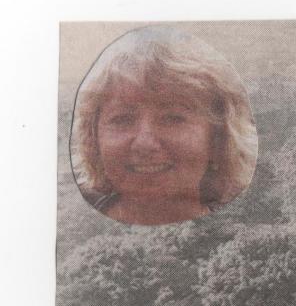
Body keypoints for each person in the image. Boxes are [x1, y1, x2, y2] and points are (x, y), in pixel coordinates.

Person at [71, 26, 257, 225]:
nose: (145, 143)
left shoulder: (241, 230)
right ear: (94, 138)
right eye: (122, 119)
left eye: (172, 118)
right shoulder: (73, 228)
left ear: (218, 137)